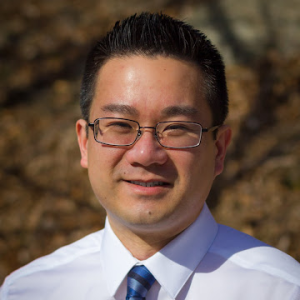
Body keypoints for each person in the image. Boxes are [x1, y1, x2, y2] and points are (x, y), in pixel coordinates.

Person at [1, 12, 299, 300]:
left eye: (177, 128)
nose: (145, 154)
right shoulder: (27, 292)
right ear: (84, 142)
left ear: (219, 149)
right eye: (119, 125)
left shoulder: (280, 291)